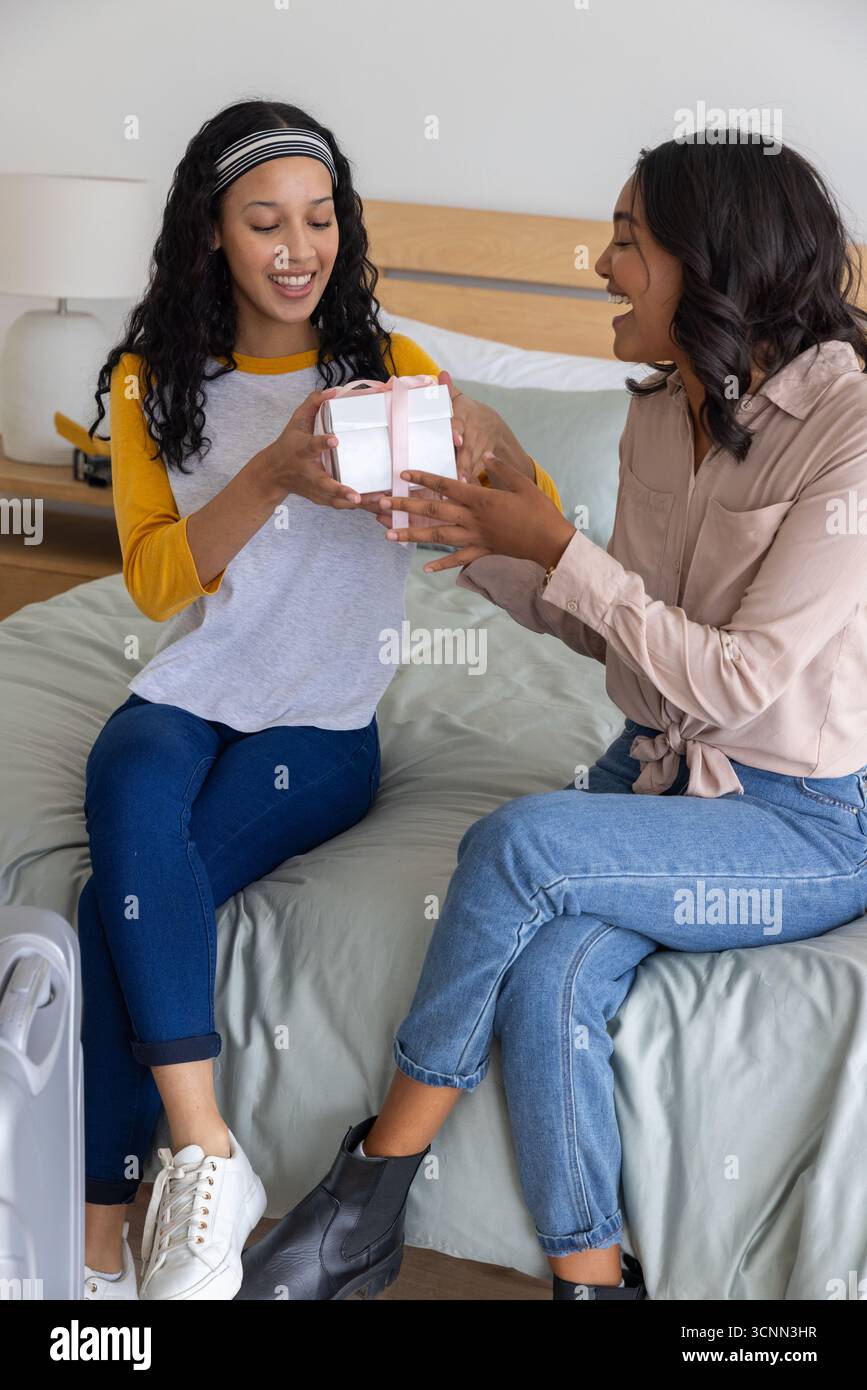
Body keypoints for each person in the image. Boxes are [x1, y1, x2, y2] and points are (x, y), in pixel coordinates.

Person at [236, 134, 867, 1302]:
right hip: (655, 775)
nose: (601, 264)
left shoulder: (851, 434)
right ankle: (593, 1281)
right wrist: (487, 538)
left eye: (628, 240)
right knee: (554, 973)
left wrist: (559, 542)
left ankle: (372, 1184)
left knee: (520, 844)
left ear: (710, 262)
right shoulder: (656, 414)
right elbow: (620, 631)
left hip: (804, 821)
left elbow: (734, 683)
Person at [78, 97, 561, 1302]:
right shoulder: (153, 381)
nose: (299, 247)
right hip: (197, 686)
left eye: (320, 217)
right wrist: (274, 473)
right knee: (128, 774)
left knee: (111, 904)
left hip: (321, 727)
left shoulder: (392, 369)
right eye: (264, 222)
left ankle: (96, 1246)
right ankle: (205, 1148)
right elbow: (151, 578)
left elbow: (535, 517)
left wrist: (489, 441)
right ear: (212, 237)